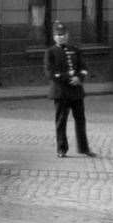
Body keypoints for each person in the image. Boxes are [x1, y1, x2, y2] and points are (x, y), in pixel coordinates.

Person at [44, 22, 95, 158]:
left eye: (63, 35)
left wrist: (79, 77)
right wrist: (68, 78)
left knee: (80, 120)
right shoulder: (50, 52)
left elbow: (84, 68)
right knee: (61, 121)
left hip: (76, 92)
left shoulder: (75, 50)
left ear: (67, 35)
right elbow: (51, 73)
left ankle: (84, 148)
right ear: (54, 37)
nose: (61, 37)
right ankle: (61, 149)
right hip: (61, 92)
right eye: (58, 35)